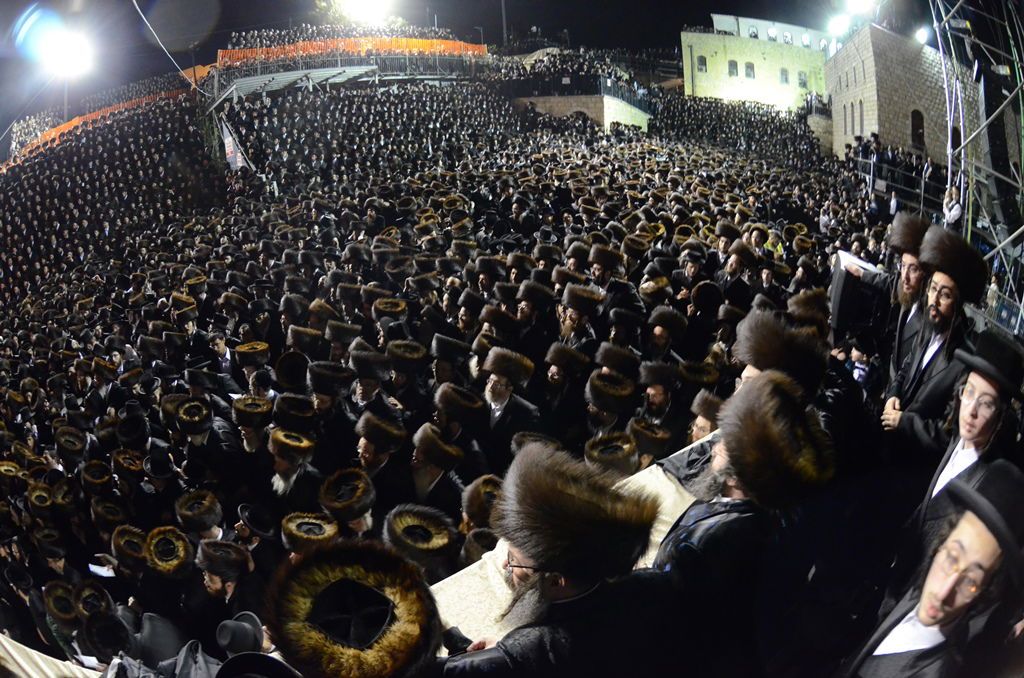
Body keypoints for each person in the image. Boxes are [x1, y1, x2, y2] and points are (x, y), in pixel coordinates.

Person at [441, 442, 692, 677]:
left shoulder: (533, 649)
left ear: (556, 581)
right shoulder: (651, 582)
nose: (505, 565)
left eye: (513, 559)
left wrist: (503, 652)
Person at [838, 460, 1024, 677]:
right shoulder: (917, 594)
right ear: (940, 545)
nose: (944, 593)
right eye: (952, 558)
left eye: (971, 582)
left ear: (985, 591)